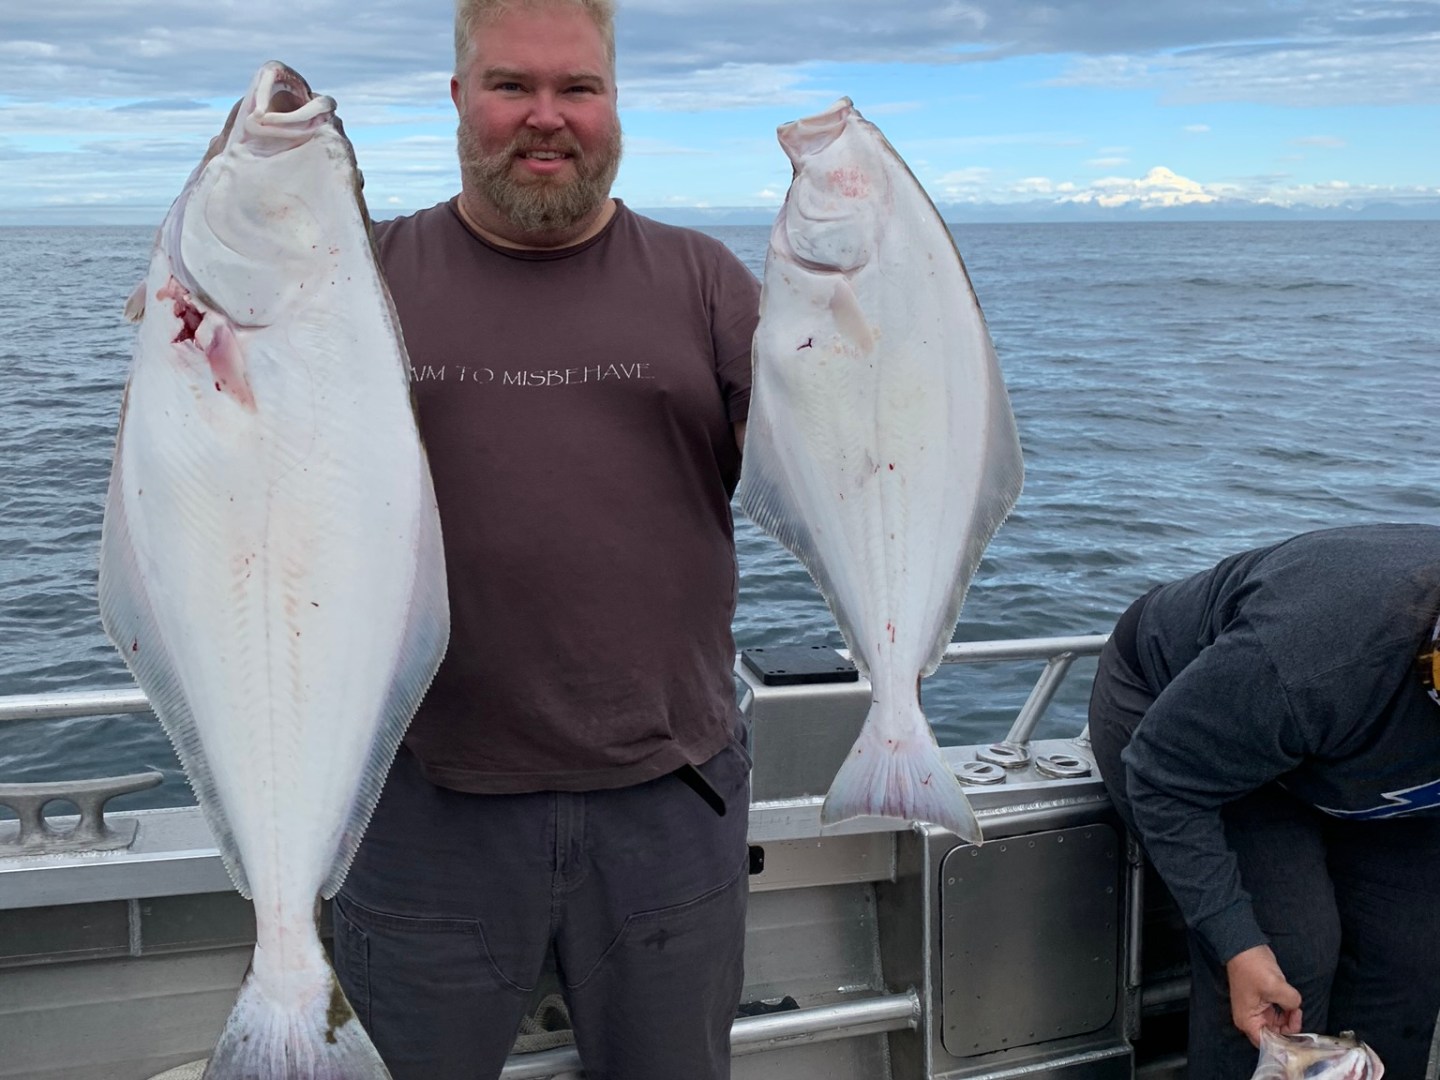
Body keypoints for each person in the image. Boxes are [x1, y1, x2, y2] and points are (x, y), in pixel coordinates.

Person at [331, 1, 760, 1077]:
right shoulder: (355, 284)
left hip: (670, 798)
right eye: (510, 86)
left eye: (579, 88)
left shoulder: (708, 281)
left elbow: (842, 470)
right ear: (457, 99)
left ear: (617, 103)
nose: (546, 118)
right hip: (415, 804)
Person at [1088, 523, 1440, 1078]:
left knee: (1411, 959)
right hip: (1181, 721)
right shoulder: (1317, 652)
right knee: (1289, 959)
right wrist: (1236, 943)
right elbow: (1164, 775)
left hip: (1361, 758)